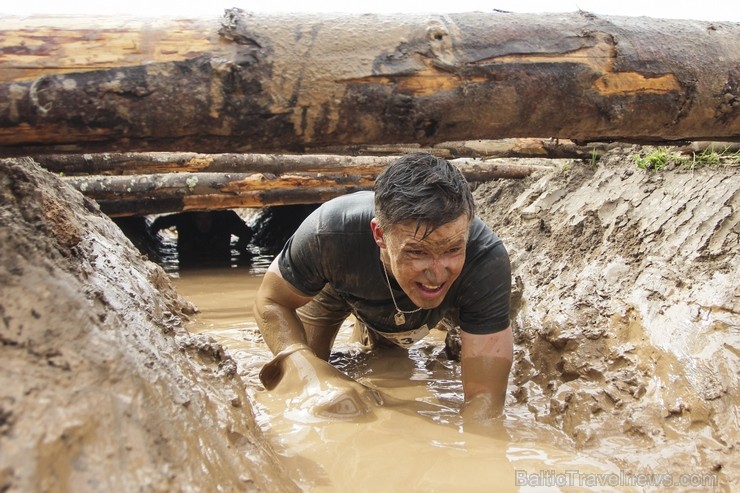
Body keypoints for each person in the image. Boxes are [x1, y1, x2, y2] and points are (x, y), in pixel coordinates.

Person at [253, 153, 513, 422]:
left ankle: (374, 334)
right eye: (417, 252)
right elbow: (271, 301)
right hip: (338, 285)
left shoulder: (486, 260)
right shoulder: (327, 234)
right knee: (310, 391)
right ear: (379, 235)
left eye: (453, 249)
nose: (436, 272)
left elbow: (485, 405)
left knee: (389, 355)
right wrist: (305, 369)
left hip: (430, 299)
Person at [150, 210, 253, 267]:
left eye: (207, 219)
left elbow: (247, 233)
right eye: (199, 219)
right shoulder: (183, 219)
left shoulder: (224, 219)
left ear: (213, 217)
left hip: (219, 262)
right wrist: (151, 249)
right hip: (190, 261)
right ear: (193, 219)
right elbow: (158, 223)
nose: (204, 224)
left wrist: (240, 249)